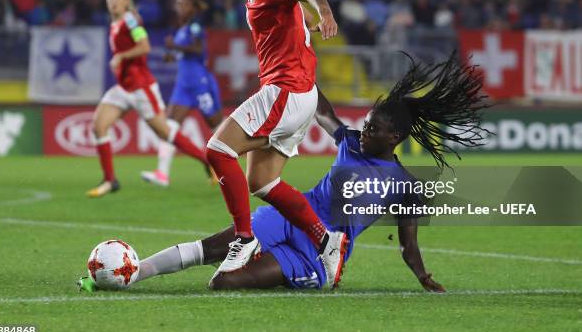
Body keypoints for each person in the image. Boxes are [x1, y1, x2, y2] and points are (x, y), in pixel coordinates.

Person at [78, 51, 488, 292]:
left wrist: (422, 275)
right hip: (292, 214)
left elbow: (408, 242)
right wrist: (301, 70)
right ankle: (133, 273)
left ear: (395, 136)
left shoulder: (405, 188)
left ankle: (315, 262)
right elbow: (319, 107)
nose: (365, 131)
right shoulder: (348, 140)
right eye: (366, 123)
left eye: (375, 129)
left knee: (224, 283)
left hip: (318, 253)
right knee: (213, 247)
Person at [205, 0, 346, 288]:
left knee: (218, 150)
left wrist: (325, 12)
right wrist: (304, 28)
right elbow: (291, 11)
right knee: (262, 181)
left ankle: (244, 238)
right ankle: (326, 240)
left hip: (286, 91)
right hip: (301, 94)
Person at [86, 0, 212, 197]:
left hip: (141, 88)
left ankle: (207, 161)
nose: (113, 1)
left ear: (126, 0)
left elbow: (145, 46)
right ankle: (110, 180)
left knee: (164, 132)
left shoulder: (131, 20)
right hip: (123, 88)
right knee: (99, 126)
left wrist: (121, 56)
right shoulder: (115, 22)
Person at [141, 0, 223, 187]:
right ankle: (162, 174)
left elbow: (198, 50)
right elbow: (184, 54)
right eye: (177, 3)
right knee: (169, 127)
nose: (179, 7)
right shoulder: (181, 29)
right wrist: (173, 55)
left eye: (184, 4)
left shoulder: (195, 27)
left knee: (216, 126)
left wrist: (175, 47)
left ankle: (229, 167)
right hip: (183, 85)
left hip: (199, 83)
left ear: (192, 9)